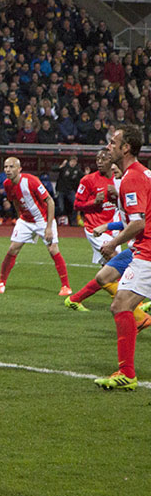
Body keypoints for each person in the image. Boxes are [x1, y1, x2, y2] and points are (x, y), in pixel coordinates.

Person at [94, 126, 151, 390]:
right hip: (144, 249)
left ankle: (127, 374)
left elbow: (137, 223)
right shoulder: (142, 173)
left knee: (121, 305)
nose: (108, 147)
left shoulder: (132, 178)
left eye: (113, 143)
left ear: (126, 147)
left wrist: (112, 243)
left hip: (147, 251)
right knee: (121, 304)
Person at [65, 158, 151, 331]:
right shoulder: (121, 185)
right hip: (132, 246)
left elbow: (138, 222)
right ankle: (140, 315)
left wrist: (110, 234)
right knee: (103, 277)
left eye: (115, 166)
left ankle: (137, 308)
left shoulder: (134, 183)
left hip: (143, 248)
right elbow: (130, 221)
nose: (113, 169)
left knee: (120, 303)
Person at [0, 157, 72, 296]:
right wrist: (19, 218)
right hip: (25, 221)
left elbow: (50, 202)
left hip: (43, 220)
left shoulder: (31, 181)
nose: (8, 170)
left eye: (11, 167)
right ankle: (1, 283)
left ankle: (66, 286)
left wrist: (48, 227)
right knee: (12, 248)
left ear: (19, 169)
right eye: (5, 167)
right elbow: (15, 201)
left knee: (53, 249)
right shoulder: (7, 184)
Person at [74, 149, 119, 266]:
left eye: (103, 159)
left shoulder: (118, 179)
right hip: (95, 228)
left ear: (111, 160)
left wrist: (118, 195)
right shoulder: (88, 180)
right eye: (97, 159)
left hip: (113, 228)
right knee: (115, 258)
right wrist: (94, 202)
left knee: (109, 268)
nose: (99, 162)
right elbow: (77, 205)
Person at [56, 155, 83, 224]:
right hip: (61, 190)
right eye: (72, 161)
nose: (73, 163)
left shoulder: (77, 170)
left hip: (70, 191)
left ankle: (73, 221)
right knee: (60, 207)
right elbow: (54, 169)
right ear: (69, 162)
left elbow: (83, 177)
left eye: (74, 162)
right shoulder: (64, 167)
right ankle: (56, 219)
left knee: (75, 204)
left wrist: (86, 174)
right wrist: (61, 165)